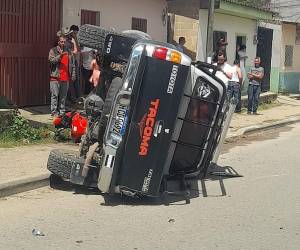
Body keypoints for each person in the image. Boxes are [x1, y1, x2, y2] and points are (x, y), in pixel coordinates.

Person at [48, 34, 76, 116]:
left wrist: (73, 74)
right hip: (55, 77)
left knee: (63, 96)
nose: (63, 43)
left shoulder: (69, 52)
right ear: (58, 42)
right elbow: (51, 61)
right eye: (61, 41)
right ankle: (54, 111)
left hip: (65, 77)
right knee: (55, 95)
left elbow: (73, 64)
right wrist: (60, 56)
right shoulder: (53, 50)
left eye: (64, 42)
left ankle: (62, 111)